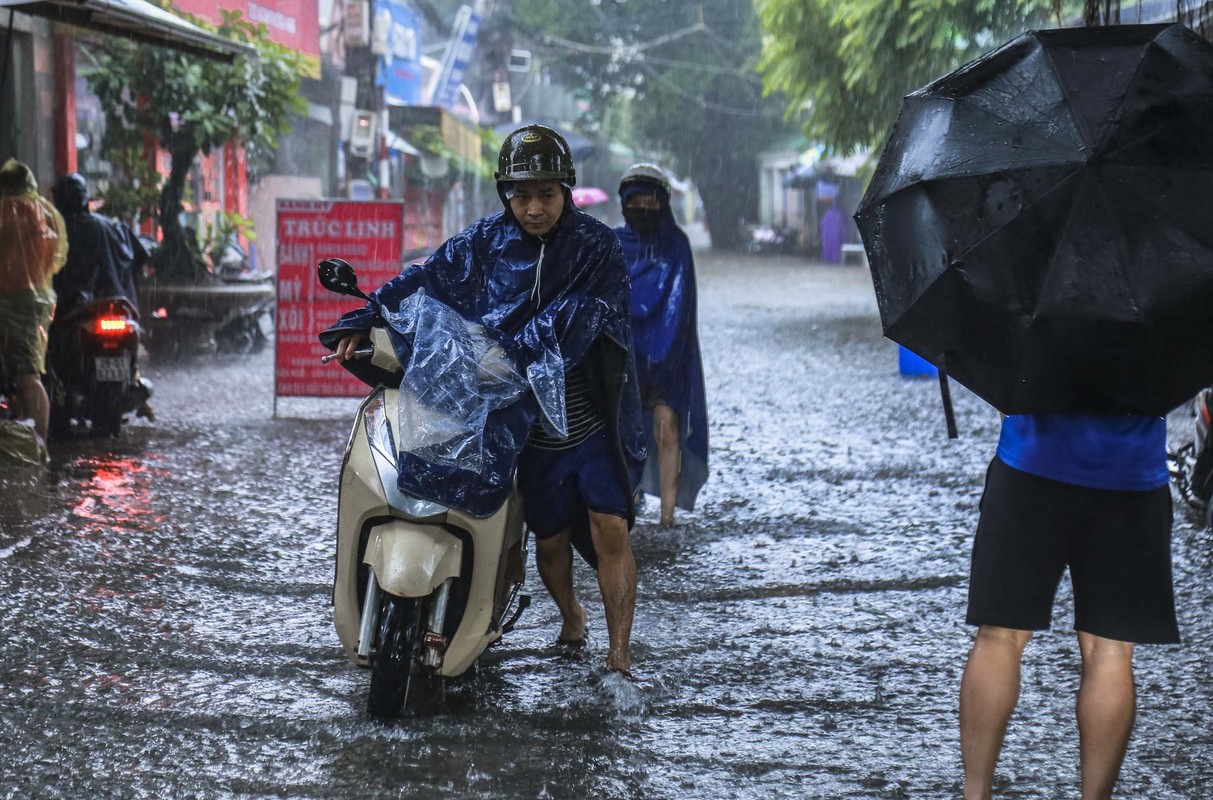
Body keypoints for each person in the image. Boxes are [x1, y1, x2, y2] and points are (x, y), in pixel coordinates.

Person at [323, 124, 647, 676]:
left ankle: (619, 659)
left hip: (588, 420)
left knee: (608, 527)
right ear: (506, 195)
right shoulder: (484, 242)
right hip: (524, 424)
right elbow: (426, 278)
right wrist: (371, 312)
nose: (535, 208)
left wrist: (523, 347)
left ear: (566, 190)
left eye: (546, 194)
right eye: (522, 196)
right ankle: (572, 615)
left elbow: (592, 315)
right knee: (549, 548)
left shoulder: (599, 249)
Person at [959, 413, 1178, 800]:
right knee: (1109, 651)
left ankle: (975, 794)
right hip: (1131, 475)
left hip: (1030, 465)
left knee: (999, 637)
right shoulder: (1162, 348)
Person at [613, 163, 708, 527]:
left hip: (668, 357)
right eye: (636, 201)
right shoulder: (615, 245)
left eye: (651, 200)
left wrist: (666, 349)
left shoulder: (677, 245)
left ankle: (667, 518)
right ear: (625, 204)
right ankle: (627, 501)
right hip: (624, 357)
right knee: (624, 435)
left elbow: (682, 305)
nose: (644, 207)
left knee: (667, 428)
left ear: (663, 202)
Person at [0, 159, 68, 446]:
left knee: (25, 377)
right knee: (30, 376)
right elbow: (57, 258)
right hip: (36, 302)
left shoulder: (4, 212)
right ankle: (39, 445)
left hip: (5, 298)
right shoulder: (46, 213)